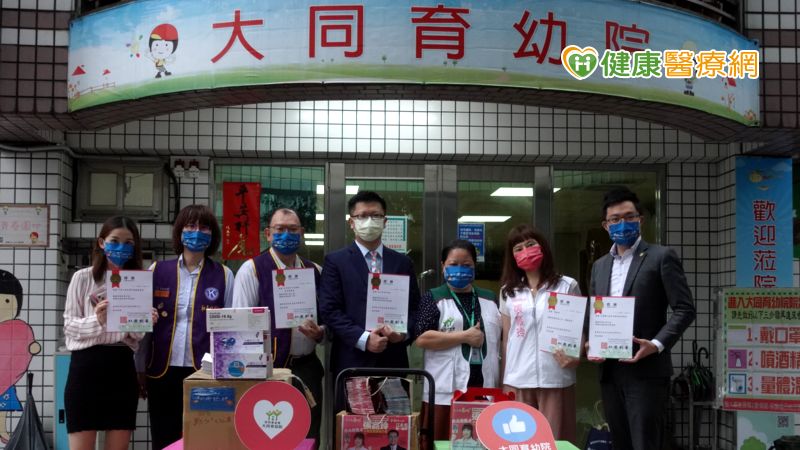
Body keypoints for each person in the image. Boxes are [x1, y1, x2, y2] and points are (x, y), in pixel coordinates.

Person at [588, 187, 695, 450]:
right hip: (610, 371)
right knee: (621, 442)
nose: (622, 224)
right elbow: (595, 312)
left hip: (646, 371)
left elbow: (685, 309)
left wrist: (656, 344)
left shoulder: (661, 257)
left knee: (646, 442)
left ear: (640, 220)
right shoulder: (600, 266)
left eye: (629, 217)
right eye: (615, 219)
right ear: (606, 225)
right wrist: (591, 342)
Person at [136, 205, 234, 450]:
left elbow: (231, 329)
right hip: (162, 369)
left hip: (206, 372)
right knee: (164, 439)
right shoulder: (157, 270)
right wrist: (139, 367)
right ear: (180, 232)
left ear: (212, 235)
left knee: (206, 439)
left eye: (204, 227)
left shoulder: (224, 275)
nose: (197, 231)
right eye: (191, 226)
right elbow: (142, 325)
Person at [232, 207, 324, 446]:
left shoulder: (315, 271)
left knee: (308, 436)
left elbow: (328, 318)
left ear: (301, 233)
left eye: (293, 230)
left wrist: (321, 332)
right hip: (266, 370)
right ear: (268, 234)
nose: (286, 235)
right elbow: (240, 324)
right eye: (280, 229)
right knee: (269, 440)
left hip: (307, 368)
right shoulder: (252, 269)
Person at [63, 216, 156, 450]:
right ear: (101, 242)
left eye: (128, 242)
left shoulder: (137, 281)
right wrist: (98, 321)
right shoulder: (82, 277)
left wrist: (145, 320)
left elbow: (135, 337)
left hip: (121, 368)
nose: (121, 247)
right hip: (85, 369)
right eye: (114, 241)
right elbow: (70, 326)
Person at [319, 191, 420, 399]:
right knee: (351, 420)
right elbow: (330, 310)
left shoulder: (402, 262)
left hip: (393, 361)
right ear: (351, 222)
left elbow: (414, 308)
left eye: (376, 216)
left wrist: (403, 334)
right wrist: (363, 339)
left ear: (385, 222)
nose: (369, 221)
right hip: (351, 362)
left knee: (395, 419)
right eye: (362, 216)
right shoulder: (335, 261)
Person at [499, 224, 581, 443]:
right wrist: (505, 378)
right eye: (518, 248)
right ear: (512, 256)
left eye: (530, 244)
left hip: (555, 377)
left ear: (542, 247)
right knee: (519, 441)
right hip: (518, 379)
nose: (525, 251)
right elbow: (507, 339)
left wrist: (576, 356)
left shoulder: (567, 285)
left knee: (554, 440)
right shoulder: (508, 291)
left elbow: (577, 330)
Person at [414, 239, 500, 446]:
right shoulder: (433, 298)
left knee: (481, 442)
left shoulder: (490, 299)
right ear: (443, 266)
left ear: (474, 267)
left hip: (484, 387)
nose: (459, 270)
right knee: (443, 441)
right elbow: (422, 338)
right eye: (453, 264)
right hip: (446, 388)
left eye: (466, 265)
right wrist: (463, 336)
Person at [0, 270, 41, 444]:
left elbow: (29, 345)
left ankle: (1, 428)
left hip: (6, 380)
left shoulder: (20, 329)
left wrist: (32, 347)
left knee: (3, 407)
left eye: (7, 301)